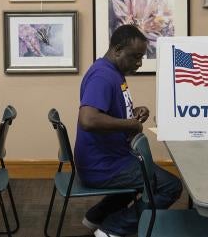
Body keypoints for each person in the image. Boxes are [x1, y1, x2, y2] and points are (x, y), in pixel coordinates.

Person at [74, 24, 182, 237]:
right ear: (116, 50)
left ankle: (96, 217)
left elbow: (108, 111)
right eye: (135, 57)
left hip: (110, 158)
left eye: (141, 57)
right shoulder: (103, 76)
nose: (139, 63)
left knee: (143, 180)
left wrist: (133, 111)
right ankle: (112, 228)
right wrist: (130, 124)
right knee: (170, 186)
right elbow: (88, 119)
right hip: (103, 166)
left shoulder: (112, 71)